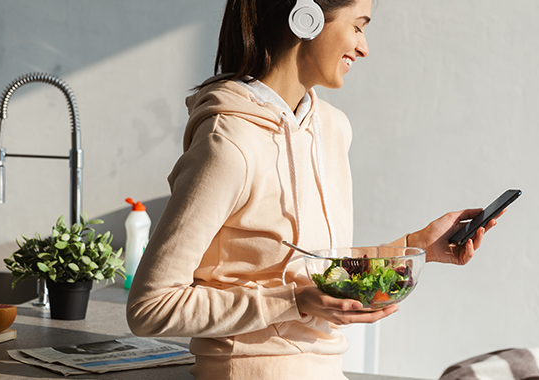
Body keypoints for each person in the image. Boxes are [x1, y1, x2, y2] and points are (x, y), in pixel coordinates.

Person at [126, 0, 500, 379]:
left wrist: (415, 247)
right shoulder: (229, 144)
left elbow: (313, 268)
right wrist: (293, 301)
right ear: (307, 19)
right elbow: (150, 307)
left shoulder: (332, 128)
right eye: (357, 27)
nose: (364, 47)